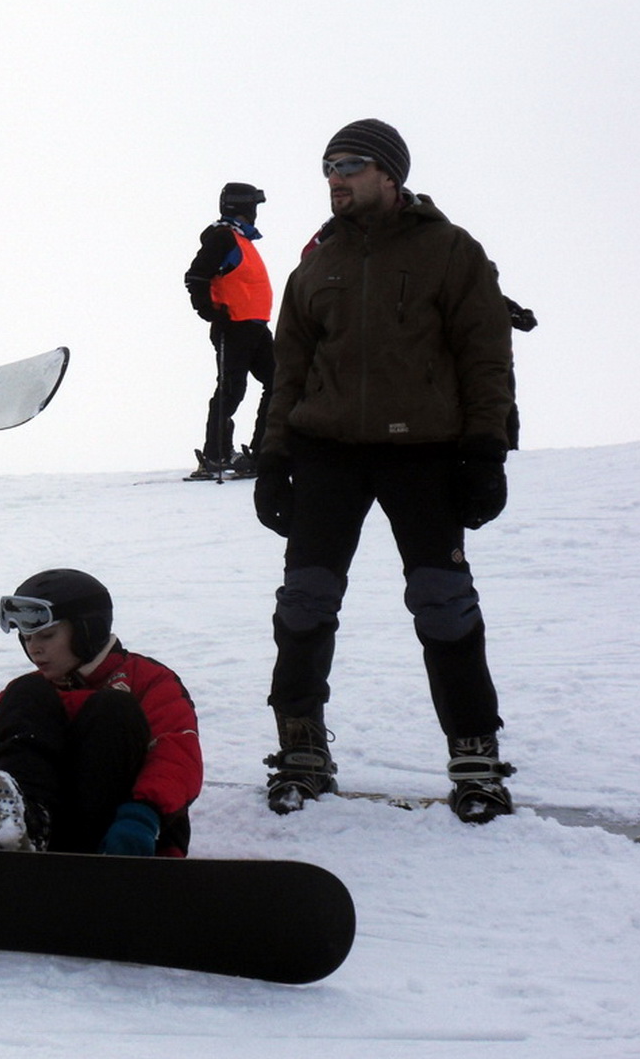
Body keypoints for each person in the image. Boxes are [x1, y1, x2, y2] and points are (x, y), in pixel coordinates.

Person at [252, 118, 517, 823]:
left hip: (423, 453)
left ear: (390, 174)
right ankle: (301, 751)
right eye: (328, 166)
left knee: (443, 602)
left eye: (350, 164)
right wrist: (274, 459)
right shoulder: (316, 264)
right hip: (327, 453)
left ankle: (476, 758)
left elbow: (486, 356)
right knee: (303, 604)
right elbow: (289, 372)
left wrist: (486, 450)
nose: (335, 178)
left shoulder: (450, 251)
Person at [0, 570, 202, 857]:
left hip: (126, 832)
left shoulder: (149, 680)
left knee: (113, 707)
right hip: (48, 840)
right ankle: (26, 824)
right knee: (27, 692)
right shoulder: (28, 696)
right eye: (26, 638)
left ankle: (109, 854)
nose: (34, 648)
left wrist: (142, 816)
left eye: (46, 636)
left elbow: (175, 756)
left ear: (88, 631)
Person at [183, 183, 275, 480]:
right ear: (245, 207)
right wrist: (209, 311)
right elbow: (196, 276)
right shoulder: (223, 237)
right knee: (232, 389)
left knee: (279, 382)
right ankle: (217, 454)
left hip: (255, 324)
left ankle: (262, 451)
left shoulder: (239, 239)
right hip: (234, 325)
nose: (256, 212)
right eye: (254, 206)